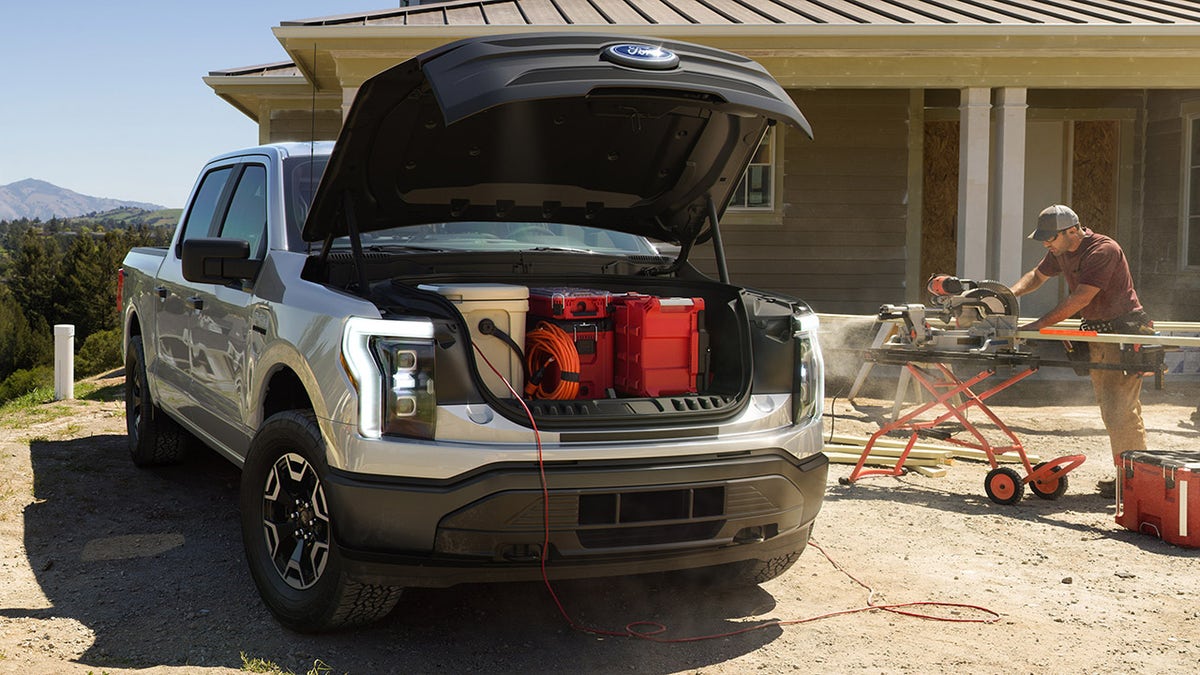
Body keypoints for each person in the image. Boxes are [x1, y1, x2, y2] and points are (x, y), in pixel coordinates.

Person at [1009, 204, 1154, 498]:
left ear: (1072, 231)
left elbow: (1081, 298)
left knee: (1120, 410)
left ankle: (1134, 481)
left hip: (1123, 332)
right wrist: (1008, 294)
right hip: (1100, 332)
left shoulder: (1103, 250)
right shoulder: (1061, 250)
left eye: (1051, 238)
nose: (1047, 244)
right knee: (1111, 407)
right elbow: (1037, 276)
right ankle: (1129, 475)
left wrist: (1039, 325)